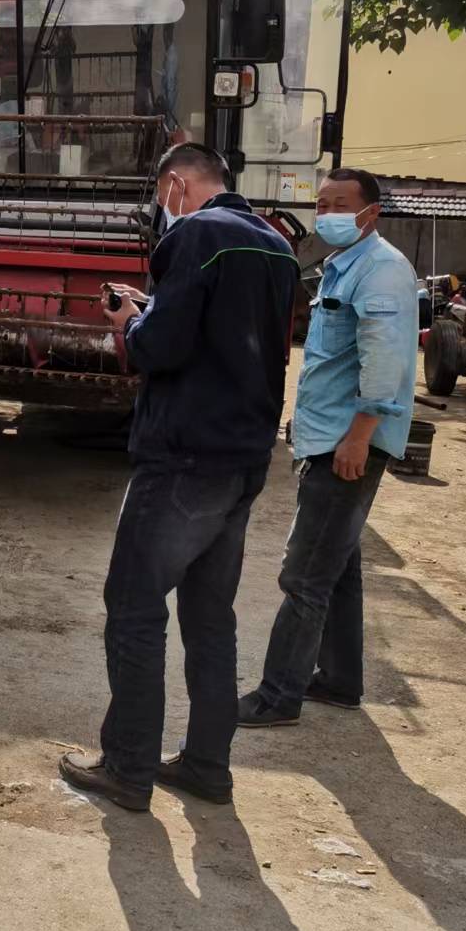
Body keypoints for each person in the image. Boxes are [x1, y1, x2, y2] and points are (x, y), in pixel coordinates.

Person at [61, 144, 300, 811]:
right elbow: (220, 332)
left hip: (185, 456)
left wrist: (131, 320)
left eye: (160, 196)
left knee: (134, 608)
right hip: (242, 457)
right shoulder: (275, 245)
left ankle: (128, 768)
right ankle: (206, 766)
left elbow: (160, 347)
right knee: (209, 618)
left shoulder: (197, 234)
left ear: (175, 185)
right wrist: (156, 307)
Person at [238, 168, 416, 726]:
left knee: (305, 575)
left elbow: (384, 362)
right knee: (338, 564)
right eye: (322, 203)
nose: (328, 213)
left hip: (349, 441)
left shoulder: (381, 270)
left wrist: (359, 436)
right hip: (330, 434)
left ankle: (277, 696)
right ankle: (339, 679)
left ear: (371, 212)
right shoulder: (345, 264)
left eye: (341, 204)